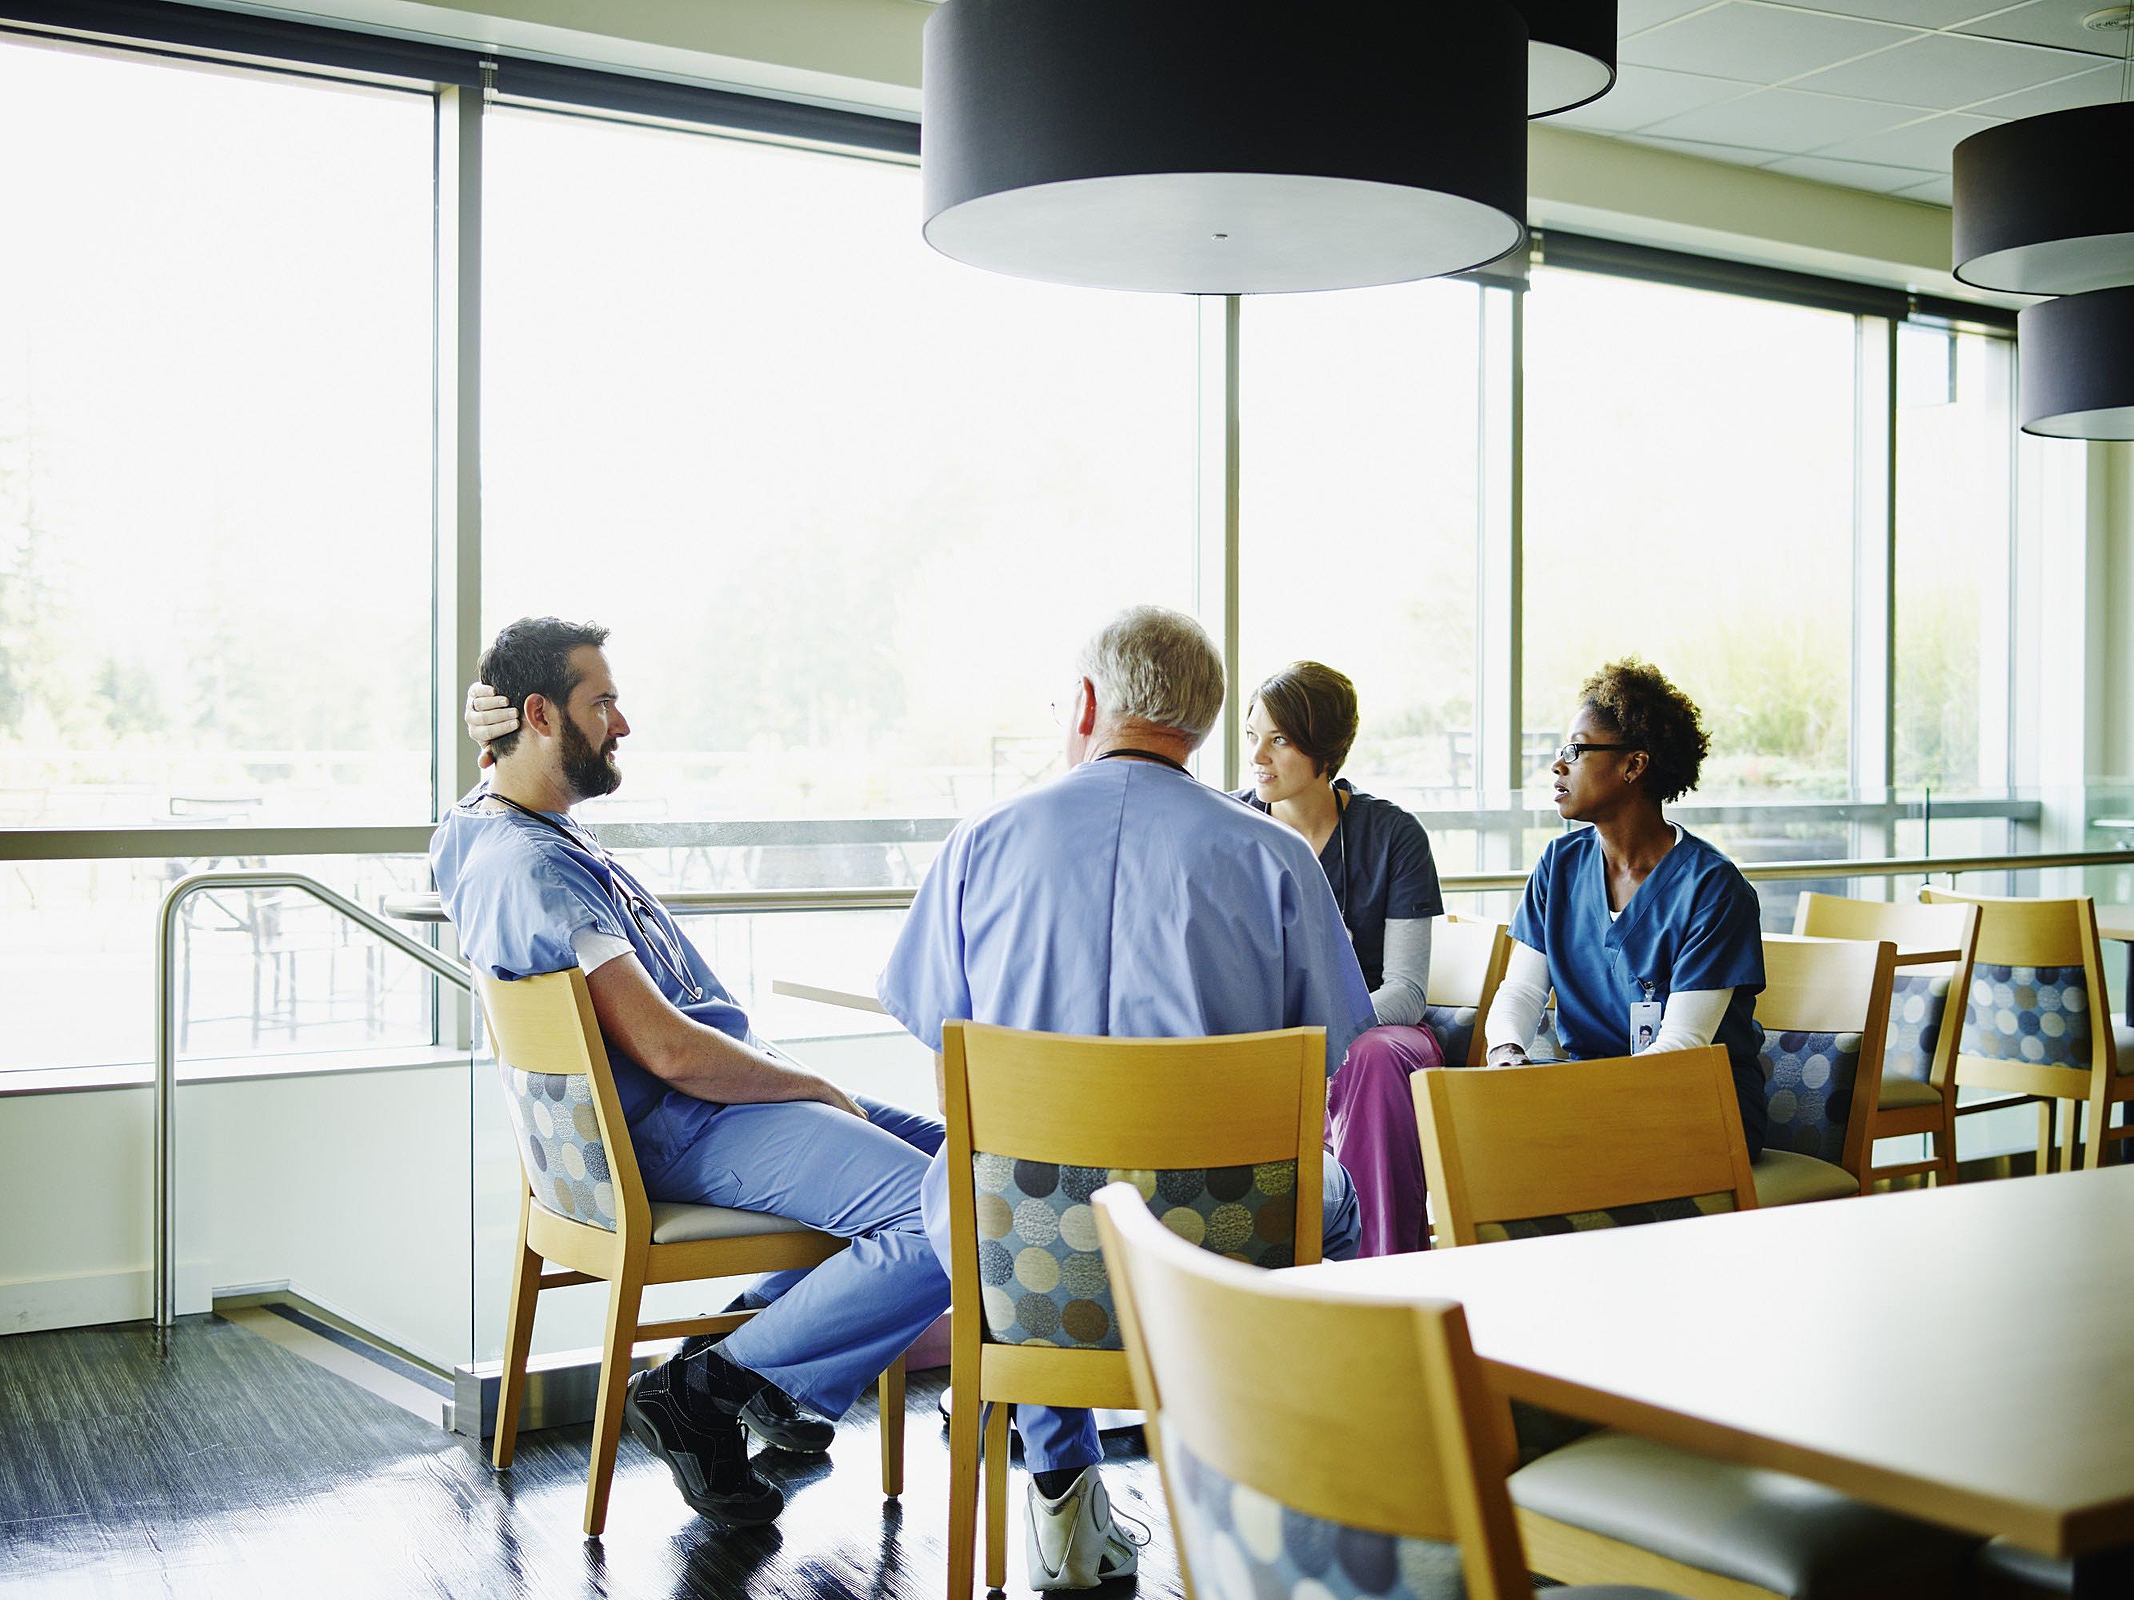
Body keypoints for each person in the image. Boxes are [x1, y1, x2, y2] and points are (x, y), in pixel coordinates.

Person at [877, 605, 1375, 1592]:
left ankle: (1063, 1495)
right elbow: (1336, 1052)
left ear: (1091, 702)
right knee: (1339, 1200)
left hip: (1025, 1260)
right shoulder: (1275, 856)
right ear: (1201, 719)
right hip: (1220, 1245)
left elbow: (937, 1027)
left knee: (1017, 1179)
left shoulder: (981, 843)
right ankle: (1258, 1484)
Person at [437, 618, 950, 1531]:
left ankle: (752, 1364)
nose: (622, 725)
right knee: (947, 1209)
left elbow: (489, 791)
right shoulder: (534, 869)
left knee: (973, 1162)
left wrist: (492, 732)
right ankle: (710, 1388)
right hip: (690, 1120)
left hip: (699, 1108)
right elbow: (671, 1052)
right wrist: (811, 1087)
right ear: (541, 714)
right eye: (603, 704)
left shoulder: (484, 829)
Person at [1481, 658, 1769, 1154]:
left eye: (1576, 749)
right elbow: (1521, 992)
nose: (1557, 765)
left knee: (1531, 1154)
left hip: (1696, 1106)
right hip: (1591, 1091)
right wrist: (1507, 1052)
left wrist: (1577, 1102)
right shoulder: (1558, 865)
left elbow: (1681, 1048)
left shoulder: (1713, 889)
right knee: (1472, 1127)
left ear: (1633, 765)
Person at [1238, 661, 1447, 1256]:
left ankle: (1384, 1269)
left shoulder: (1392, 834)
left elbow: (1406, 992)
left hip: (1381, 1035)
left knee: (1368, 1055)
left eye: (1279, 740)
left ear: (1326, 749)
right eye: (1253, 736)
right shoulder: (1231, 829)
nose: (1259, 756)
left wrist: (1317, 1041)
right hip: (1270, 1045)